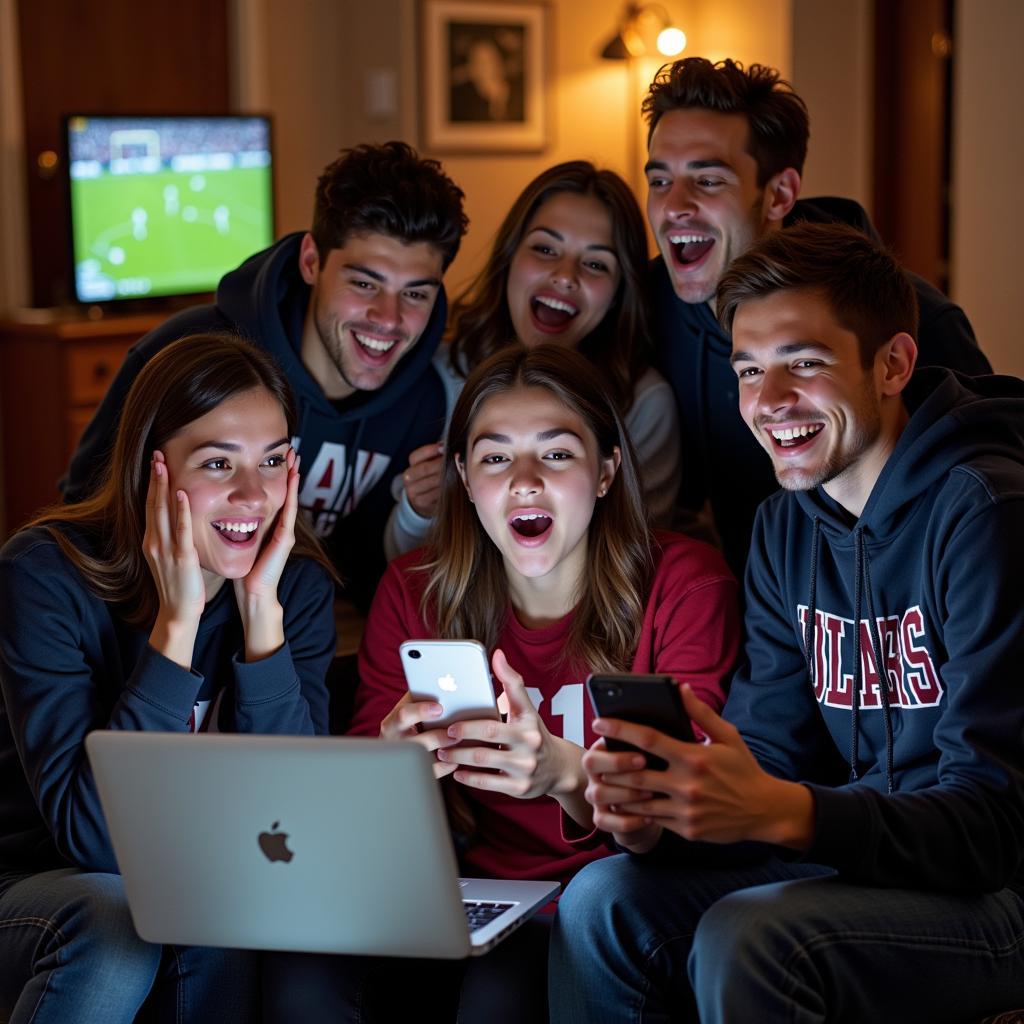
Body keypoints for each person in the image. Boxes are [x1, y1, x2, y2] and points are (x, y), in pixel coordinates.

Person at [548, 223, 1024, 1023]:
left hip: (996, 894)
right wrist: (663, 812)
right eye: (748, 370)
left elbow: (993, 825)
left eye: (803, 363)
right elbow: (770, 750)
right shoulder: (783, 526)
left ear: (892, 364)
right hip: (859, 864)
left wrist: (784, 811)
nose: (768, 404)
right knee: (604, 898)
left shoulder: (985, 512)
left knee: (754, 935)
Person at [265, 345, 739, 1022]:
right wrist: (390, 765)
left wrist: (563, 773)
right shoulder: (413, 592)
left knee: (501, 991)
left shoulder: (686, 585)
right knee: (302, 965)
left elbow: (684, 819)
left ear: (606, 470)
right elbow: (360, 820)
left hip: (601, 894)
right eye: (494, 457)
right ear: (462, 475)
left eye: (556, 454)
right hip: (456, 888)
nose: (523, 481)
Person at [0, 333, 338, 1022]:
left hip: (192, 886)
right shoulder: (43, 577)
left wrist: (262, 624)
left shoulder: (292, 592)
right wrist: (176, 628)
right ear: (153, 470)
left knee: (220, 912)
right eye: (218, 463)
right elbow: (92, 840)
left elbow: (293, 826)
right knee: (116, 919)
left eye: (273, 460)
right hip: (36, 888)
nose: (253, 494)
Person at [62, 141, 468, 609]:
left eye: (416, 294)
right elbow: (87, 514)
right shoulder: (186, 354)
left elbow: (362, 575)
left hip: (300, 646)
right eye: (364, 283)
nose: (388, 318)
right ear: (312, 261)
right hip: (150, 631)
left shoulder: (424, 403)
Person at [642, 56, 992, 578]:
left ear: (780, 194)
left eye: (708, 181)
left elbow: (991, 495)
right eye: (660, 181)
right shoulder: (650, 304)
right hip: (758, 615)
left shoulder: (913, 324)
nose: (675, 207)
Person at [387, 161, 681, 558]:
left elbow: (633, 556)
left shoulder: (643, 404)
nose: (564, 275)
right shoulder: (436, 373)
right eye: (545, 249)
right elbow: (398, 569)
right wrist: (419, 510)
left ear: (618, 291)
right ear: (509, 256)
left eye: (595, 264)